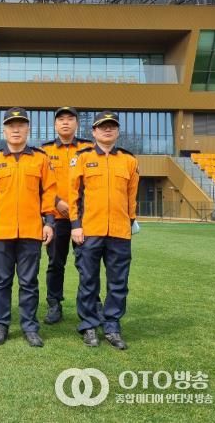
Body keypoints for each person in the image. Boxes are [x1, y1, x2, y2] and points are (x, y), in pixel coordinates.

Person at [0, 107, 57, 347]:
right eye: (11, 126)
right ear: (4, 130)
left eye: (20, 125)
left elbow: (49, 192)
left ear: (27, 129)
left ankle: (30, 327)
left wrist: (49, 222)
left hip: (32, 231)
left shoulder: (40, 159)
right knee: (1, 281)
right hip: (2, 231)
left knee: (29, 282)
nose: (16, 130)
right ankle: (1, 325)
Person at [69, 110, 139, 350]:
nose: (107, 130)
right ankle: (88, 325)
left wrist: (129, 222)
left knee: (118, 283)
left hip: (120, 232)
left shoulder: (128, 160)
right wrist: (75, 225)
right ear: (94, 131)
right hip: (90, 230)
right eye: (102, 126)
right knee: (88, 281)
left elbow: (132, 197)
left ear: (117, 131)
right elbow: (73, 194)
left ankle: (112, 326)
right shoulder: (82, 158)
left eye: (112, 126)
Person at [40, 107, 93, 324]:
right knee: (55, 263)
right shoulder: (44, 151)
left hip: (84, 219)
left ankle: (91, 304)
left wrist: (76, 207)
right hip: (56, 217)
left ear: (77, 124)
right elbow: (41, 183)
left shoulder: (89, 148)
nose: (65, 122)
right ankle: (54, 304)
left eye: (70, 119)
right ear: (55, 125)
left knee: (86, 263)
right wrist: (57, 202)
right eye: (61, 119)